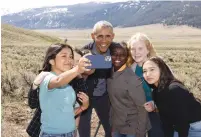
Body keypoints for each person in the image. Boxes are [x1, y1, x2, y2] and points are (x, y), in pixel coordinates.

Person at [27, 43, 90, 137]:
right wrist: (77, 69)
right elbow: (58, 81)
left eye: (71, 56)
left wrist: (83, 107)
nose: (69, 60)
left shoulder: (69, 83)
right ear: (51, 61)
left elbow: (66, 112)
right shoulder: (47, 77)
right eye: (64, 56)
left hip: (70, 133)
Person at [142, 56, 201, 137]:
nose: (148, 74)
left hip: (196, 126)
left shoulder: (174, 89)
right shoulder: (156, 92)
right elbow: (166, 122)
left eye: (152, 69)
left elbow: (182, 121)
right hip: (180, 127)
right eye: (144, 71)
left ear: (161, 69)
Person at [78, 20, 116, 137]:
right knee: (84, 131)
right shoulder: (84, 51)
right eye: (100, 36)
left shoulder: (117, 50)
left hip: (104, 97)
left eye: (108, 36)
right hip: (84, 96)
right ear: (93, 36)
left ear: (113, 36)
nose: (104, 40)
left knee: (111, 129)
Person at [107, 42, 151, 137]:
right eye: (114, 54)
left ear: (127, 57)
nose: (118, 57)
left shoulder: (132, 80)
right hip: (116, 124)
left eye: (122, 55)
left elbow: (142, 108)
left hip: (133, 127)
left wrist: (140, 133)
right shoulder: (108, 72)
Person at [127, 33, 164, 137]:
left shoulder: (158, 66)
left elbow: (168, 91)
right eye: (133, 49)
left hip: (157, 111)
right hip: (137, 112)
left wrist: (154, 104)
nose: (136, 52)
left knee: (157, 133)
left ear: (148, 49)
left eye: (140, 49)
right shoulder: (130, 69)